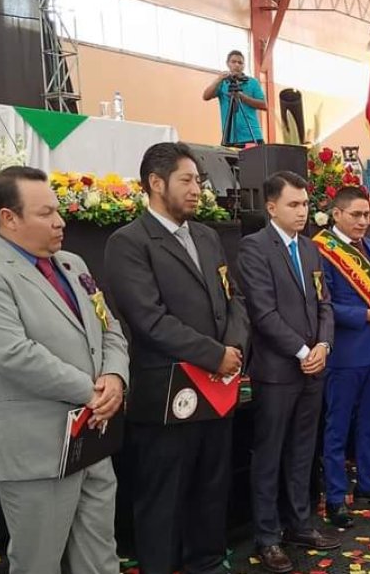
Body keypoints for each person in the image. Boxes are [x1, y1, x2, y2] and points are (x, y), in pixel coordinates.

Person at [0, 166, 130, 574]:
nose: (60, 221)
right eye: (46, 213)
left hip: (91, 442)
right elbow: (11, 355)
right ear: (9, 218)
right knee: (38, 564)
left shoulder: (71, 263)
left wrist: (115, 377)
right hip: (36, 452)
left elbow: (109, 328)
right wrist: (92, 392)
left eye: (57, 210)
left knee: (100, 557)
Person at [100, 145, 248, 574]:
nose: (197, 190)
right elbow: (149, 320)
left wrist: (234, 348)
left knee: (211, 491)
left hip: (217, 393)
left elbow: (233, 297)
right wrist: (214, 354)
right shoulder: (128, 242)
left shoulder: (206, 235)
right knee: (163, 501)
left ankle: (206, 563)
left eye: (199, 181)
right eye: (187, 180)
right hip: (168, 396)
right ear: (156, 183)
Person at [238, 171, 339, 571]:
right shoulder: (253, 248)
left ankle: (300, 522)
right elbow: (262, 312)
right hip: (278, 371)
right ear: (271, 206)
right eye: (294, 205)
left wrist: (323, 345)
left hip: (312, 369)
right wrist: (301, 350)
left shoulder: (311, 249)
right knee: (269, 454)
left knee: (302, 451)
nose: (302, 211)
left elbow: (324, 304)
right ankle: (267, 536)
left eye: (306, 204)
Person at [313, 186, 370, 528]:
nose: (364, 221)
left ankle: (367, 483)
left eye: (367, 214)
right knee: (337, 429)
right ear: (336, 214)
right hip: (344, 353)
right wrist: (367, 316)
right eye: (356, 215)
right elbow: (323, 305)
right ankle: (336, 498)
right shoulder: (322, 250)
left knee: (369, 424)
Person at [202, 50, 267, 147]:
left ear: (244, 66)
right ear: (227, 64)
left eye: (240, 63)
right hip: (229, 137)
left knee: (255, 162)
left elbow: (264, 105)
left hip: (252, 136)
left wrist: (241, 96)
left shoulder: (253, 82)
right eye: (233, 62)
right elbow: (206, 96)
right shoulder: (222, 83)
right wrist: (219, 79)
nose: (237, 65)